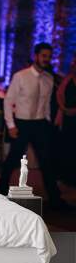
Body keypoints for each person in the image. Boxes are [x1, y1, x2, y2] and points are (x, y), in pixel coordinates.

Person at [0, 42, 70, 209]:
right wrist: (11, 125)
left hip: (40, 124)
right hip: (22, 124)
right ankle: (0, 189)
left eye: (49, 57)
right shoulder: (20, 76)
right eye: (44, 56)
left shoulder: (49, 79)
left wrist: (48, 122)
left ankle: (55, 199)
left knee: (46, 161)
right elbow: (8, 101)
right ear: (35, 56)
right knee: (13, 159)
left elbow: (46, 104)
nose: (47, 59)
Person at [55, 53, 76, 186]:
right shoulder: (68, 79)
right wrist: (63, 108)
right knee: (66, 147)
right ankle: (65, 176)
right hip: (67, 118)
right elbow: (59, 94)